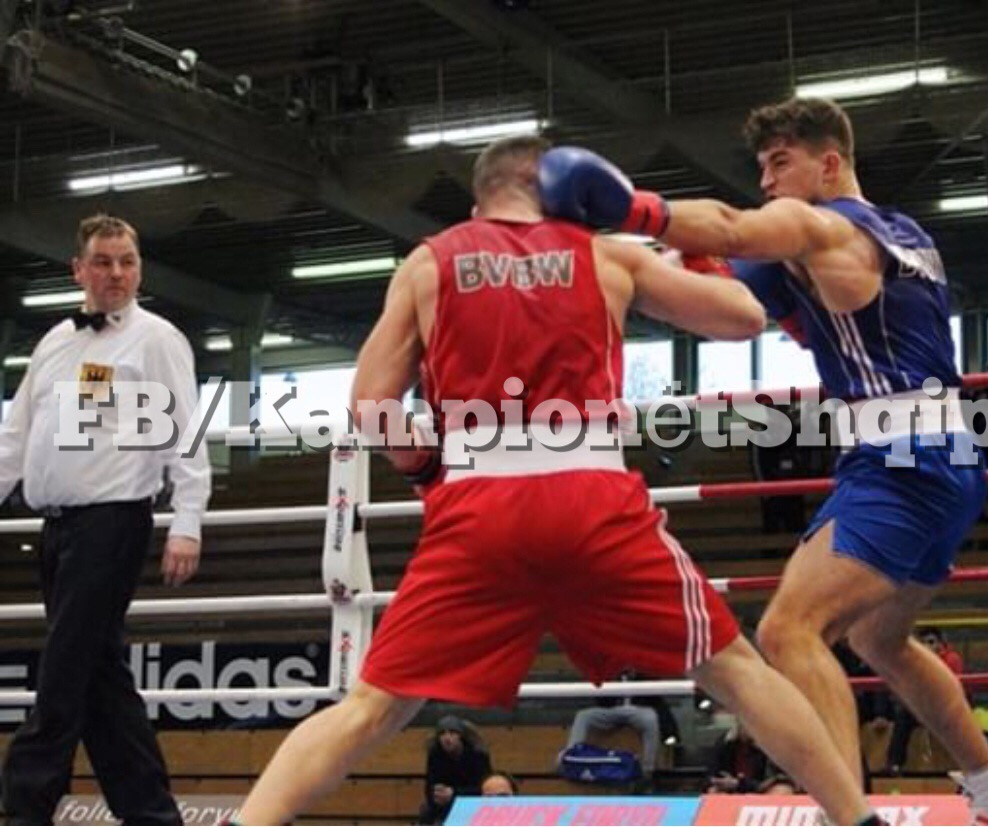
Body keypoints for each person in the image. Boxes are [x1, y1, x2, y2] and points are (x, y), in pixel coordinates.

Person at [232, 135, 884, 827]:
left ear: (482, 194)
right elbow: (743, 318)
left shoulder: (429, 263)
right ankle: (859, 821)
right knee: (738, 672)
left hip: (479, 503)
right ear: (560, 185)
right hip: (591, 495)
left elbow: (370, 405)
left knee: (371, 707)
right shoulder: (605, 253)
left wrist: (429, 471)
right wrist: (695, 253)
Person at [537, 97, 988, 825]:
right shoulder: (903, 236)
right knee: (879, 636)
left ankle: (850, 815)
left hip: (900, 460)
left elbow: (734, 226)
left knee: (787, 630)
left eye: (781, 163)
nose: (768, 181)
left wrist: (635, 210)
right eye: (763, 167)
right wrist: (690, 269)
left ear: (829, 162)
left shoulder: (821, 223)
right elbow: (753, 311)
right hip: (945, 456)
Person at [0, 214, 211, 824]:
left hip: (113, 523)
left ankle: (24, 805)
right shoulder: (55, 341)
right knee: (100, 679)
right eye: (104, 261)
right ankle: (151, 814)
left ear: (139, 269)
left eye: (127, 262)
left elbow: (185, 434)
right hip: (58, 528)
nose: (116, 273)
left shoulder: (156, 339)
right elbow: (15, 437)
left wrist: (188, 520)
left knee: (64, 671)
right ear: (79, 269)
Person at [885, 627, 964, 774]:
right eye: (925, 643)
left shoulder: (952, 658)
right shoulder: (916, 661)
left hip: (946, 706)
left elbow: (948, 687)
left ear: (941, 644)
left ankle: (964, 764)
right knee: (903, 717)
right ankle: (894, 764)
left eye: (932, 642)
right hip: (923, 706)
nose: (929, 646)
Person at [418, 715, 492, 825]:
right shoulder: (435, 755)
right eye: (442, 734)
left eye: (452, 733)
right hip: (445, 803)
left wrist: (454, 793)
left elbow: (483, 788)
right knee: (426, 811)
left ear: (460, 736)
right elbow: (429, 786)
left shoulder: (478, 756)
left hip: (472, 801)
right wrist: (437, 795)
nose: (447, 738)